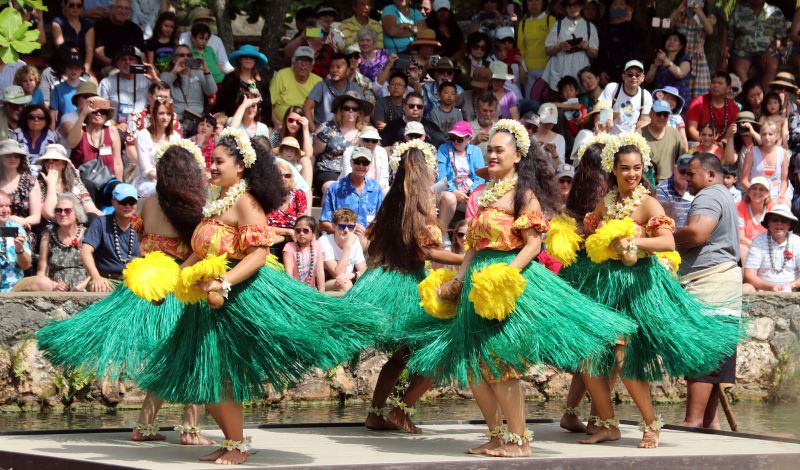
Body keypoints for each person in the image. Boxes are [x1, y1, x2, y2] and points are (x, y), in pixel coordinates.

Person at [134, 131, 376, 465]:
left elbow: (258, 254)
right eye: (212, 161)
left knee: (220, 374)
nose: (212, 167)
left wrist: (225, 282)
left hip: (238, 298)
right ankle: (232, 442)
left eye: (219, 162)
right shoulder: (216, 201)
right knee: (202, 375)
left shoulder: (246, 202)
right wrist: (170, 284)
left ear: (241, 167)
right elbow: (198, 251)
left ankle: (236, 445)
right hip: (207, 303)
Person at [408, 120, 632, 457]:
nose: (493, 154)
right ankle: (497, 436)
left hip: (504, 283)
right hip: (476, 282)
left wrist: (506, 276)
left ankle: (519, 440)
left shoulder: (524, 194)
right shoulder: (484, 193)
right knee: (473, 365)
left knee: (498, 362)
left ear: (518, 155)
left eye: (500, 150)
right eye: (490, 150)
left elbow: (533, 244)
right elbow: (474, 246)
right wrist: (457, 279)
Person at [561, 133, 741, 449]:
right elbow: (590, 237)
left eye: (637, 168)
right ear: (613, 170)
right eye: (626, 168)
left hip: (638, 287)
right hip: (605, 286)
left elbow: (668, 242)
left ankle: (651, 424)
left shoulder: (647, 202)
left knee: (626, 361)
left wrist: (635, 242)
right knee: (589, 360)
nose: (632, 174)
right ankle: (607, 423)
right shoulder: (606, 203)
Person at [36, 142, 215, 446]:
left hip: (148, 284)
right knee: (195, 354)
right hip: (180, 288)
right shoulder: (192, 204)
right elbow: (203, 247)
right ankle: (190, 429)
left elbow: (143, 243)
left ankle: (144, 426)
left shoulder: (149, 201)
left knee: (168, 357)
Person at [348, 139, 463, 433]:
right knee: (440, 349)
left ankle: (376, 413)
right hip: (408, 286)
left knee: (400, 356)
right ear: (424, 173)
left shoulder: (390, 203)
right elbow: (431, 253)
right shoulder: (420, 210)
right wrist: (467, 258)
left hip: (383, 281)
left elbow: (373, 243)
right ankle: (401, 410)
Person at [674, 153, 743, 430]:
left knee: (702, 357)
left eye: (691, 174)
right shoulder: (723, 195)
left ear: (710, 175)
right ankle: (709, 424)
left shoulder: (708, 196)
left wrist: (665, 237)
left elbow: (698, 234)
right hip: (722, 286)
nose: (686, 179)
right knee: (714, 361)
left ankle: (692, 423)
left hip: (710, 285)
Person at [15, 193, 89, 292]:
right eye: (58, 210)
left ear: (77, 213)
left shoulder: (88, 234)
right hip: (57, 289)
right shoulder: (48, 236)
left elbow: (98, 269)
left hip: (84, 287)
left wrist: (81, 286)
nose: (62, 214)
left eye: (67, 210)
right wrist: (54, 285)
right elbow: (41, 273)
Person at [81, 183, 140, 292]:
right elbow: (85, 251)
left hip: (134, 282)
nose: (127, 206)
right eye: (123, 202)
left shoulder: (140, 225)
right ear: (113, 202)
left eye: (131, 202)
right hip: (107, 280)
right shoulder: (101, 222)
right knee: (98, 287)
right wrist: (96, 277)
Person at [313, 91, 371, 198]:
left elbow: (375, 152)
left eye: (355, 109)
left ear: (359, 112)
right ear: (341, 111)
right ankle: (329, 215)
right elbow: (314, 153)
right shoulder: (327, 128)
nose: (350, 111)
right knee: (332, 188)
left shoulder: (366, 132)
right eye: (346, 108)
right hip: (329, 170)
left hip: (356, 171)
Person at [320, 147, 384, 240]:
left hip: (367, 241)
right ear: (351, 162)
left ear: (370, 165)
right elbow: (323, 224)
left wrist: (367, 232)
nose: (361, 166)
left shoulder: (376, 188)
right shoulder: (335, 188)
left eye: (365, 163)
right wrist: (348, 230)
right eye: (357, 162)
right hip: (341, 240)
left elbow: (381, 222)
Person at [723, 0, 787, 92]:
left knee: (772, 66)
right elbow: (730, 34)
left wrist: (769, 52)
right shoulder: (739, 10)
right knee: (740, 68)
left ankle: (766, 98)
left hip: (768, 49)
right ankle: (752, 95)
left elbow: (781, 37)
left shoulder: (775, 12)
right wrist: (726, 49)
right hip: (743, 50)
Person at [436, 121, 485, 237]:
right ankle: (443, 234)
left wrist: (469, 191)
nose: (455, 142)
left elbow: (480, 177)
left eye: (459, 139)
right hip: (448, 190)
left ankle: (471, 236)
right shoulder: (444, 149)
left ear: (469, 139)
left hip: (469, 192)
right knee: (450, 198)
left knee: (479, 196)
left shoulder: (475, 151)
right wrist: (454, 191)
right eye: (453, 137)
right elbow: (441, 177)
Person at [542, 0, 598, 95]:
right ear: (565, 8)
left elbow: (595, 55)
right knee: (558, 106)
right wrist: (559, 46)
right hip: (559, 74)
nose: (572, 8)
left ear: (581, 6)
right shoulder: (558, 25)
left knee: (581, 107)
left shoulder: (590, 27)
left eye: (576, 4)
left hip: (581, 76)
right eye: (569, 5)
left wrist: (587, 47)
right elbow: (547, 50)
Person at [743, 204, 800, 292]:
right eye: (775, 220)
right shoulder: (758, 242)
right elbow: (749, 275)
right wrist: (771, 287)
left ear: (789, 225)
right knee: (746, 288)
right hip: (763, 290)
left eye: (784, 220)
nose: (779, 223)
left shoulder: (797, 242)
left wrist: (791, 286)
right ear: (768, 223)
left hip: (793, 290)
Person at [97, 45, 160, 124]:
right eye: (123, 59)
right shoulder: (106, 83)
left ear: (137, 62)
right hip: (118, 128)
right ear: (116, 63)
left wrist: (155, 80)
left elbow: (164, 100)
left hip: (144, 127)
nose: (128, 62)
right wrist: (114, 125)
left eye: (131, 59)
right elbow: (100, 110)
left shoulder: (147, 79)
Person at [37, 143, 101, 221]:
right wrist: (51, 184)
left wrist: (107, 220)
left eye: (55, 159)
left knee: (93, 218)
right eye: (47, 160)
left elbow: (91, 208)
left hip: (76, 222)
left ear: (64, 164)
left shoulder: (75, 182)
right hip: (52, 226)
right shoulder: (39, 184)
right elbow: (49, 214)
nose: (51, 163)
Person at [68, 96, 123, 181]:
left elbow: (117, 163)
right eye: (95, 111)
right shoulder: (81, 131)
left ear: (107, 115)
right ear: (88, 114)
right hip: (82, 183)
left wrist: (119, 185)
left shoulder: (112, 131)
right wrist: (83, 114)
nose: (98, 114)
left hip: (107, 182)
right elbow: (71, 143)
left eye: (103, 111)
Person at [0, 139, 42, 250]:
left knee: (16, 238)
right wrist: (8, 219)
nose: (13, 158)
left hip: (22, 231)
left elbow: (36, 217)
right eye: (8, 155)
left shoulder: (30, 181)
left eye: (16, 156)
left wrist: (20, 221)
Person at [134, 98, 180, 198]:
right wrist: (169, 182)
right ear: (154, 114)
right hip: (147, 183)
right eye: (161, 113)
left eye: (168, 114)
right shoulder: (143, 135)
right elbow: (146, 170)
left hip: (170, 182)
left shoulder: (175, 136)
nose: (165, 117)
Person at [213, 45, 270, 124]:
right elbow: (221, 102)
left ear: (255, 60)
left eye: (251, 57)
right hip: (231, 122)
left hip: (256, 124)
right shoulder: (230, 78)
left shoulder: (263, 81)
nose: (248, 59)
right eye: (245, 56)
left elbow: (267, 107)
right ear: (239, 59)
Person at [270, 47, 323, 130]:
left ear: (312, 66)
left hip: (307, 127)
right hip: (282, 126)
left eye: (308, 61)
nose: (303, 64)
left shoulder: (318, 81)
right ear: (293, 63)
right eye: (300, 60)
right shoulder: (282, 75)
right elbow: (269, 103)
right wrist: (276, 124)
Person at [305, 54, 362, 130]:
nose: (334, 70)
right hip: (324, 133)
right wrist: (314, 130)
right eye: (332, 67)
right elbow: (306, 108)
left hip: (347, 131)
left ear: (348, 70)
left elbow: (362, 110)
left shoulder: (354, 87)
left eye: (338, 67)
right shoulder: (321, 85)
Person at [160, 45, 217, 121]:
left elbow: (212, 91)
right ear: (174, 59)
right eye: (181, 55)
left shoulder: (198, 73)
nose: (185, 58)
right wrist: (174, 72)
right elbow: (161, 90)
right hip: (176, 118)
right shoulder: (167, 74)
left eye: (189, 55)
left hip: (197, 118)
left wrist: (206, 71)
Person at [672, 0, 715, 99]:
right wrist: (678, 10)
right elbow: (667, 25)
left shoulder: (708, 17)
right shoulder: (681, 15)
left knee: (699, 94)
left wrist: (700, 13)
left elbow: (710, 31)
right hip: (681, 57)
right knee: (679, 90)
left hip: (698, 58)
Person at [267, 159, 309, 257]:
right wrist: (288, 232)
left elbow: (302, 223)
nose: (283, 178)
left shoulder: (298, 195)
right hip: (270, 243)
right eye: (279, 175)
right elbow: (261, 227)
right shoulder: (265, 197)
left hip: (293, 243)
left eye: (287, 176)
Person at [177, 8, 234, 80]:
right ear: (194, 23)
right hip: (194, 78)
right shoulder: (184, 36)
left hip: (217, 78)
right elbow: (182, 59)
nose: (203, 23)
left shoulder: (216, 40)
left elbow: (223, 63)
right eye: (200, 21)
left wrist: (233, 76)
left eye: (206, 21)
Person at [599, 60, 653, 135]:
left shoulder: (646, 96)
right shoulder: (612, 88)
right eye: (630, 75)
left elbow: (644, 120)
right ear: (623, 76)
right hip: (610, 138)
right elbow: (603, 113)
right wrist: (607, 122)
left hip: (632, 140)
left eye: (637, 75)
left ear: (643, 78)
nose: (634, 77)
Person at [320, 208, 368, 292]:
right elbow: (338, 274)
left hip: (347, 279)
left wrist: (352, 275)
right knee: (345, 283)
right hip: (326, 283)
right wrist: (347, 246)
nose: (346, 230)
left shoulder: (355, 241)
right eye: (342, 226)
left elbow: (363, 269)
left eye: (350, 227)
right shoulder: (324, 241)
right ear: (334, 226)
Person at [742, 121, 789, 204]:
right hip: (755, 195)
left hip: (776, 195)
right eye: (764, 134)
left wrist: (780, 196)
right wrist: (756, 194)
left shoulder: (783, 153)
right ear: (760, 135)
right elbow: (744, 180)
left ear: (777, 136)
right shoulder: (751, 152)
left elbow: (784, 181)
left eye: (770, 134)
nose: (767, 137)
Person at [686, 72, 740, 142]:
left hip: (723, 144)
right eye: (713, 83)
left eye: (720, 83)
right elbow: (691, 130)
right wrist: (709, 143)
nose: (715, 85)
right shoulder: (698, 102)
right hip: (699, 142)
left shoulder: (733, 108)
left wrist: (720, 145)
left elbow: (732, 133)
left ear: (728, 88)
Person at [642, 99, 687, 182]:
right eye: (658, 114)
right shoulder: (638, 135)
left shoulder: (675, 133)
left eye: (666, 114)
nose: (662, 117)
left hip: (670, 184)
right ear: (650, 114)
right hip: (645, 183)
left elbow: (683, 160)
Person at [92, 0, 146, 69]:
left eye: (126, 8)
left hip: (132, 67)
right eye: (119, 7)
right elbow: (99, 55)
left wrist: (142, 68)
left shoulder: (135, 29)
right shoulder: (100, 26)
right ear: (111, 8)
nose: (123, 11)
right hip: (110, 66)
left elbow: (142, 55)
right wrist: (119, 65)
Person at [517, 0, 555, 97]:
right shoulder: (523, 23)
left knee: (546, 103)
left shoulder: (551, 20)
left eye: (537, 0)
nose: (533, 3)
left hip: (547, 70)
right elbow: (520, 50)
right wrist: (522, 68)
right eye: (530, 0)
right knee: (530, 104)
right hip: (528, 72)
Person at [646, 30, 692, 107]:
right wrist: (655, 66)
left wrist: (666, 60)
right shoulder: (659, 59)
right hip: (660, 101)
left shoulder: (685, 59)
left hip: (678, 102)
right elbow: (648, 80)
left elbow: (680, 74)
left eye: (675, 40)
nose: (671, 42)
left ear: (681, 46)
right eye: (669, 39)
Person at [339, 126, 390, 195]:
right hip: (350, 187)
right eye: (366, 140)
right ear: (360, 140)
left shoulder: (382, 151)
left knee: (386, 191)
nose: (370, 143)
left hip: (375, 189)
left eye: (374, 141)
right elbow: (347, 174)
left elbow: (384, 178)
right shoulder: (349, 152)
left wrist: (374, 190)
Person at [11, 105, 59, 174]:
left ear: (46, 121)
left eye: (41, 117)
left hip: (44, 175)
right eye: (31, 117)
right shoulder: (17, 134)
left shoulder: (51, 135)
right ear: (26, 120)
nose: (36, 119)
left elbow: (52, 160)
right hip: (19, 174)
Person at [0, 189, 32, 291]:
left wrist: (19, 249)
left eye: (7, 206)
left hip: (15, 287)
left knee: (42, 283)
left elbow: (26, 265)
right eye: (0, 206)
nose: (5, 210)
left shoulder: (15, 228)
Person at [283, 215, 325, 291]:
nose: (301, 233)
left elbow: (320, 271)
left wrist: (322, 293)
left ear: (313, 232)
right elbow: (288, 273)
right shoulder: (289, 247)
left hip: (311, 290)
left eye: (305, 231)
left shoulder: (318, 247)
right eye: (298, 231)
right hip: (294, 289)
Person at [52, 0, 96, 69]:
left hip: (81, 66)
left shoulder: (88, 25)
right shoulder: (58, 22)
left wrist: (85, 70)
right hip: (62, 64)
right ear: (66, 7)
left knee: (92, 80)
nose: (75, 8)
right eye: (71, 5)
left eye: (79, 5)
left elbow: (89, 51)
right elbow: (60, 46)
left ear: (82, 8)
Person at [737, 176, 772, 264]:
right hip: (749, 247)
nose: (757, 192)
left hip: (769, 248)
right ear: (748, 192)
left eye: (761, 189)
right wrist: (759, 248)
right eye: (754, 188)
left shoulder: (772, 208)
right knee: (742, 248)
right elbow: (741, 238)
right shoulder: (739, 207)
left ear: (767, 193)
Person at [655, 154, 694, 228]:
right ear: (675, 170)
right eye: (682, 171)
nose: (685, 175)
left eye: (689, 173)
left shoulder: (695, 188)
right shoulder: (662, 190)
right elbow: (663, 220)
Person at [469, 91, 498, 156]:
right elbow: (460, 153)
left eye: (491, 111)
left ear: (495, 111)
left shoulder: (499, 128)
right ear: (476, 109)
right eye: (484, 110)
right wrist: (474, 142)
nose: (488, 114)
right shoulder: (468, 128)